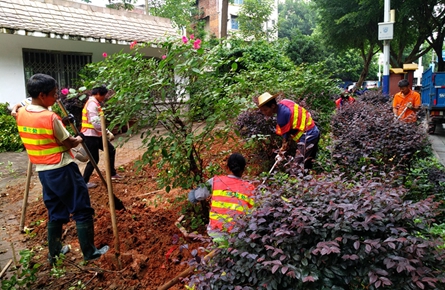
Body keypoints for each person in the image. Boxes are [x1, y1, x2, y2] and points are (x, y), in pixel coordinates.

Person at [16, 73, 109, 264]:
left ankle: (55, 252)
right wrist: (81, 138)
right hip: (62, 168)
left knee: (56, 208)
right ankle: (90, 253)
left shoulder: (21, 112)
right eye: (53, 94)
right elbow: (69, 143)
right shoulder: (49, 117)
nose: (56, 98)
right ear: (42, 95)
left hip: (43, 171)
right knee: (81, 207)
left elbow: (18, 109)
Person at [188, 153, 255, 240]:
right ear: (243, 170)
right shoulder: (249, 188)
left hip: (216, 232)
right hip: (238, 234)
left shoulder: (216, 181)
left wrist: (192, 194)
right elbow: (253, 212)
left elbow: (196, 196)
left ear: (227, 168)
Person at [257, 92, 320, 169]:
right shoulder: (285, 102)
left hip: (308, 137)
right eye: (262, 110)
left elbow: (286, 141)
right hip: (314, 130)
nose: (264, 113)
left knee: (296, 169)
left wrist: (280, 154)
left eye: (265, 110)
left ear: (273, 106)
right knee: (307, 165)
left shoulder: (282, 117)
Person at [80, 85, 122, 189]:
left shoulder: (95, 103)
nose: (104, 97)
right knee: (94, 159)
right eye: (103, 95)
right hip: (90, 136)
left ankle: (112, 174)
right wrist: (106, 131)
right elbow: (96, 123)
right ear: (98, 94)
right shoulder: (92, 104)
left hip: (97, 135)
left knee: (111, 150)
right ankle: (84, 182)